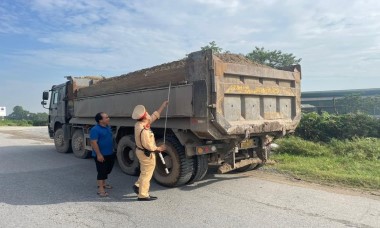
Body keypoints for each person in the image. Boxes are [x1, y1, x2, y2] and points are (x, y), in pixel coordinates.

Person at [132, 101, 168, 201]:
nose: (149, 114)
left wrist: (163, 106)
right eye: (147, 113)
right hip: (146, 153)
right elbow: (148, 145)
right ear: (144, 117)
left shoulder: (139, 124)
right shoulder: (144, 130)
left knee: (144, 171)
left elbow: (154, 116)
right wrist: (159, 148)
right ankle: (143, 195)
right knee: (147, 174)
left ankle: (138, 186)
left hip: (141, 152)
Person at [90, 112, 115, 197]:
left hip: (110, 153)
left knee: (108, 170)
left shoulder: (108, 127)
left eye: (108, 117)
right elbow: (93, 142)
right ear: (100, 120)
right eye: (106, 117)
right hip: (101, 155)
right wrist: (99, 154)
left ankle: (103, 184)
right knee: (101, 171)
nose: (108, 118)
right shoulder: (95, 129)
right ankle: (101, 189)